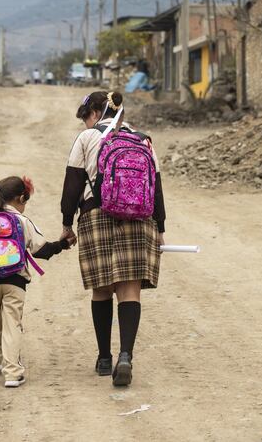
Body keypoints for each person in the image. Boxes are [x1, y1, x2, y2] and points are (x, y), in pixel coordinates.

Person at [60, 91, 166, 386]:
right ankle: (126, 356)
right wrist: (160, 226)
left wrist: (67, 224)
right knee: (130, 290)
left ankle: (105, 358)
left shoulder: (87, 139)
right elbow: (155, 185)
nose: (84, 123)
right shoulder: (142, 139)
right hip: (140, 218)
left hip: (96, 215)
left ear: (96, 111)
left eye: (85, 117)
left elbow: (72, 185)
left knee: (102, 288)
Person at [0, 175, 76, 388]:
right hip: (15, 282)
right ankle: (13, 372)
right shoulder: (22, 221)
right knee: (12, 324)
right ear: (20, 199)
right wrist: (63, 245)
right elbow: (42, 250)